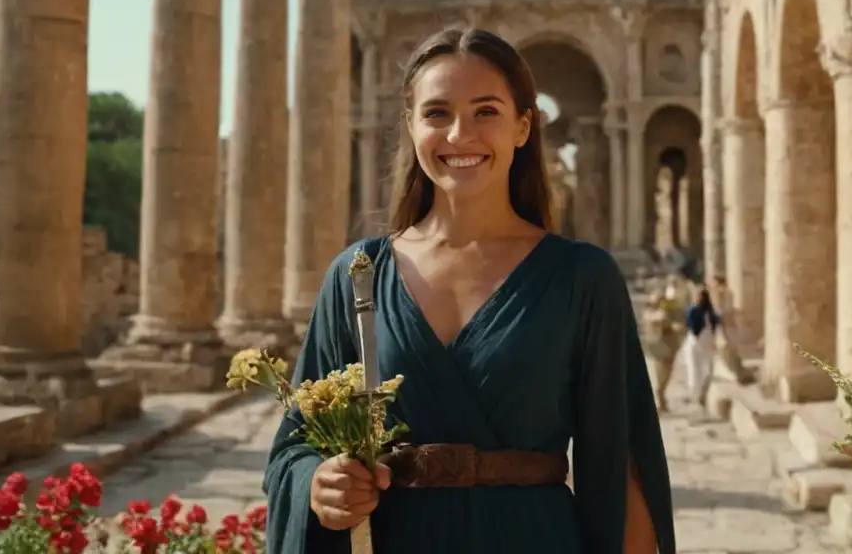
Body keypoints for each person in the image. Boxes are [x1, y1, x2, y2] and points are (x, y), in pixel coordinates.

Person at [264, 28, 676, 554]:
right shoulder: (357, 275)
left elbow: (621, 468)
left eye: (486, 112)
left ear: (523, 127)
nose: (461, 135)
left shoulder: (583, 278)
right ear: (410, 126)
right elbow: (294, 447)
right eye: (437, 113)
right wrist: (318, 484)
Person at [683, 286, 720, 405]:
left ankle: (700, 393)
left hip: (703, 341)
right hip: (698, 341)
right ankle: (697, 393)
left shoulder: (709, 312)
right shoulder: (697, 310)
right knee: (696, 368)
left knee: (704, 369)